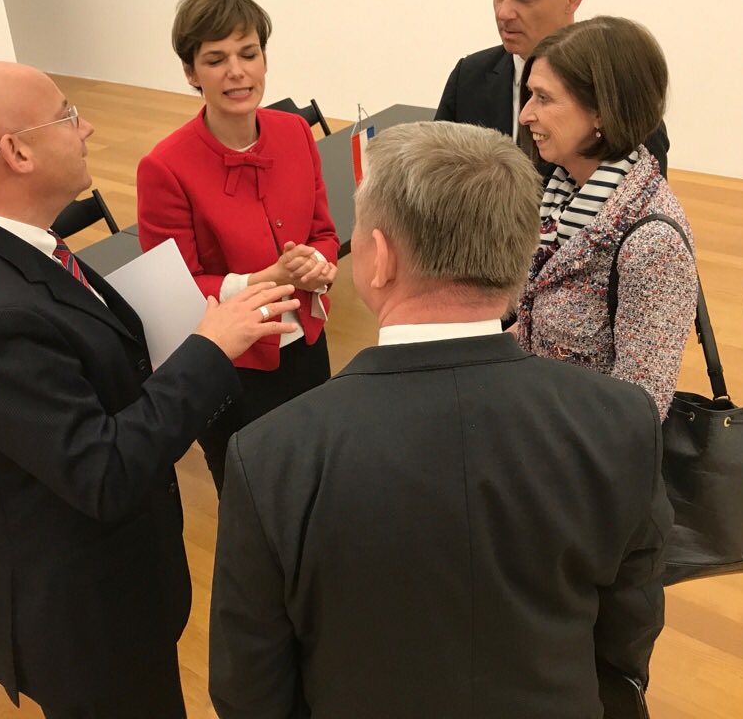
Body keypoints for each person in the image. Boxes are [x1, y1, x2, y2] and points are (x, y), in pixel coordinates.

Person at [208, 121, 672, 718]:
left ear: (381, 258)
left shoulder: (270, 456)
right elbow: (628, 629)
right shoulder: (622, 420)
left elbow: (249, 691)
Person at [0, 60, 301, 718]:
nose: (85, 128)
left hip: (107, 593)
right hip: (84, 625)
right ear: (17, 151)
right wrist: (210, 348)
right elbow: (103, 472)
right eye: (67, 115)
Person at [137, 0, 339, 495]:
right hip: (232, 365)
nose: (237, 71)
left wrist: (319, 266)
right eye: (215, 59)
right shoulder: (164, 167)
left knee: (319, 474)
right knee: (253, 493)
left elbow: (323, 233)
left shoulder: (295, 132)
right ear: (191, 73)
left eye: (248, 54)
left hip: (306, 343)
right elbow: (174, 292)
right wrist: (260, 281)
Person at [513, 16, 698, 418]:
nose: (525, 115)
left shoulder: (653, 243)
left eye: (543, 98)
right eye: (529, 96)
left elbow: (638, 411)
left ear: (601, 112)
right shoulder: (558, 197)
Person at [435, 0, 668, 176]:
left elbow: (642, 196)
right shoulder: (469, 77)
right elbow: (431, 183)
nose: (504, 12)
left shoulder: (617, 92)